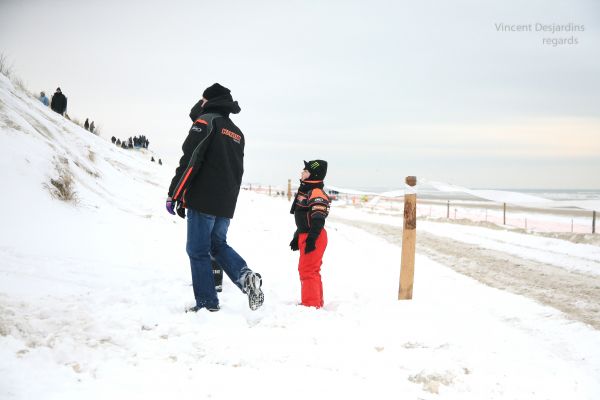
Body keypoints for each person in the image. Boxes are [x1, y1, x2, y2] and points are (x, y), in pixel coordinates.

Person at [166, 83, 263, 312]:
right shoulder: (237, 133)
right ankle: (245, 276)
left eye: (202, 99)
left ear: (208, 101)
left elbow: (190, 161)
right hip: (225, 202)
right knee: (217, 245)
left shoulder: (206, 122)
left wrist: (175, 194)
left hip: (203, 199)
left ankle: (207, 304)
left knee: (197, 250)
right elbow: (237, 170)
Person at [289, 160, 330, 308]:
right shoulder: (306, 191)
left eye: (305, 171)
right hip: (305, 234)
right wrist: (296, 236)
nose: (302, 173)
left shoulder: (316, 192)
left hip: (314, 235)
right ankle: (316, 301)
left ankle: (311, 304)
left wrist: (311, 239)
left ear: (313, 174)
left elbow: (318, 219)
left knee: (308, 270)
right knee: (309, 269)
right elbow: (303, 219)